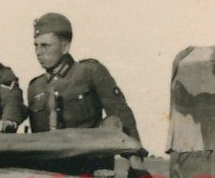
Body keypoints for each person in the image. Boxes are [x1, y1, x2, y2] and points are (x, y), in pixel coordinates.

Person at [27, 12, 140, 140]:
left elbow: (120, 113)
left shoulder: (90, 72)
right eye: (36, 45)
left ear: (65, 47)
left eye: (45, 46)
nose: (38, 52)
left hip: (89, 159)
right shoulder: (35, 87)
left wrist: (134, 153)